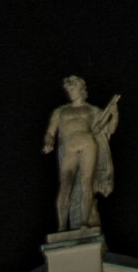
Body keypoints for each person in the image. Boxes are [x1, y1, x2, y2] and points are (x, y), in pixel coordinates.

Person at [42, 76, 120, 235]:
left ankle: (85, 222)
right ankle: (62, 226)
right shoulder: (60, 111)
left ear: (81, 89)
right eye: (68, 89)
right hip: (69, 147)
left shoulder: (92, 110)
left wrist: (115, 114)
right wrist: (49, 141)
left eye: (73, 88)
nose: (70, 91)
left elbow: (109, 130)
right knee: (65, 187)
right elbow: (50, 132)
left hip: (87, 144)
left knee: (87, 184)